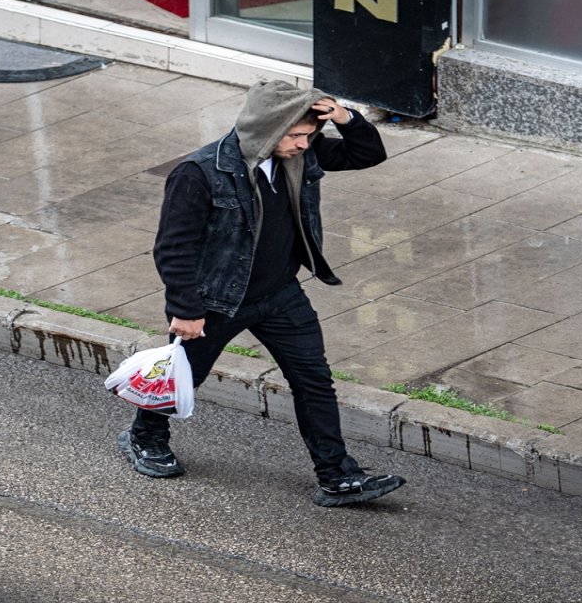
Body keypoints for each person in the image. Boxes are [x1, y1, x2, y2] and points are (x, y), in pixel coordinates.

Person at [117, 79, 406, 507]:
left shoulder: (300, 155)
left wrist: (344, 118)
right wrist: (185, 308)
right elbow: (173, 247)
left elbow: (367, 154)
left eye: (310, 134)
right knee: (182, 376)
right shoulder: (200, 172)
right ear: (267, 130)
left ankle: (337, 476)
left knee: (314, 381)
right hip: (217, 301)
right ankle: (144, 436)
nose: (304, 144)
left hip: (280, 294)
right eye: (295, 135)